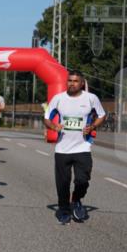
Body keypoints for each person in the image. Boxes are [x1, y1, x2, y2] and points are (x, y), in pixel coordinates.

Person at [43, 71, 106, 224]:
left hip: (83, 147)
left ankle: (76, 199)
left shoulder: (91, 98)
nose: (72, 83)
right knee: (63, 183)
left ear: (82, 83)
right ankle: (64, 210)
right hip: (62, 149)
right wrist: (53, 126)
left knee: (82, 180)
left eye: (75, 81)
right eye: (70, 80)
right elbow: (46, 118)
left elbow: (102, 115)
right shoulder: (59, 99)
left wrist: (91, 126)